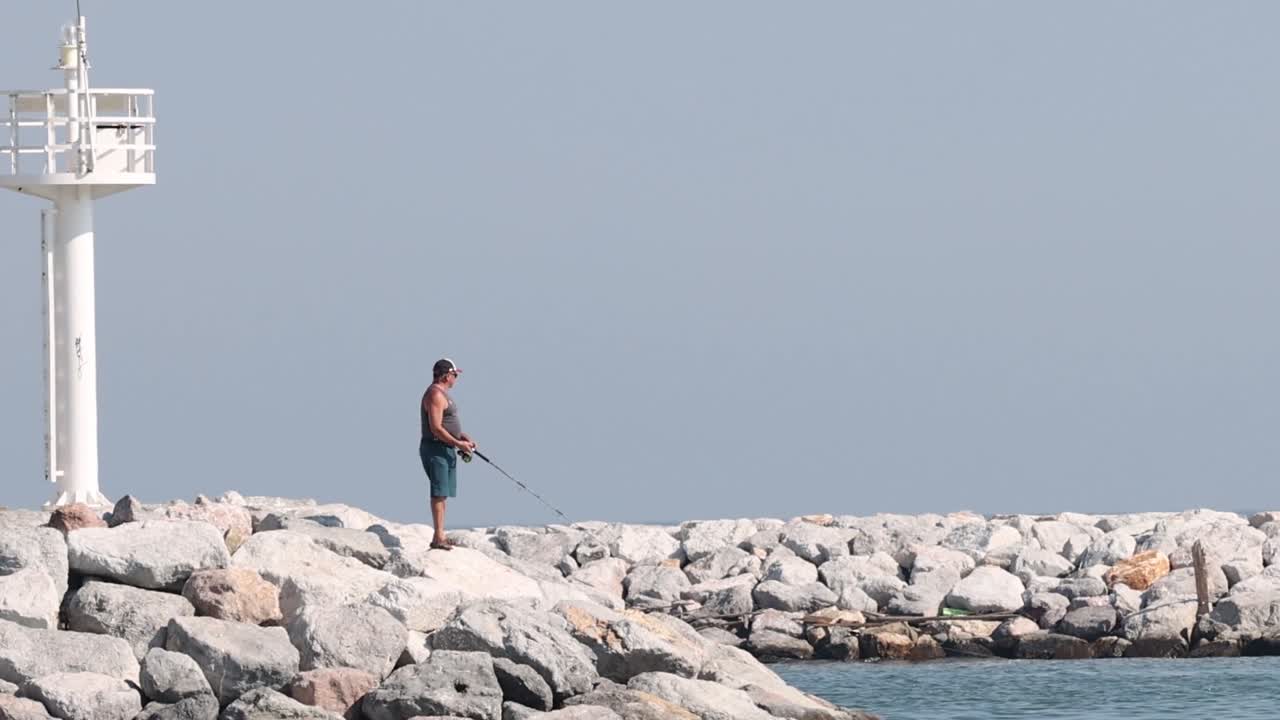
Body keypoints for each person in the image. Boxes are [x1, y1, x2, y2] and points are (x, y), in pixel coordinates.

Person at [419, 358, 476, 550]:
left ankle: (441, 534)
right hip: (436, 448)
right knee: (438, 493)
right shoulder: (435, 394)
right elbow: (435, 428)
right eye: (454, 375)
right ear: (446, 375)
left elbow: (448, 424)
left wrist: (462, 437)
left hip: (447, 448)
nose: (456, 378)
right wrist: (458, 443)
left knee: (444, 493)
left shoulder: (445, 394)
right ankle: (438, 537)